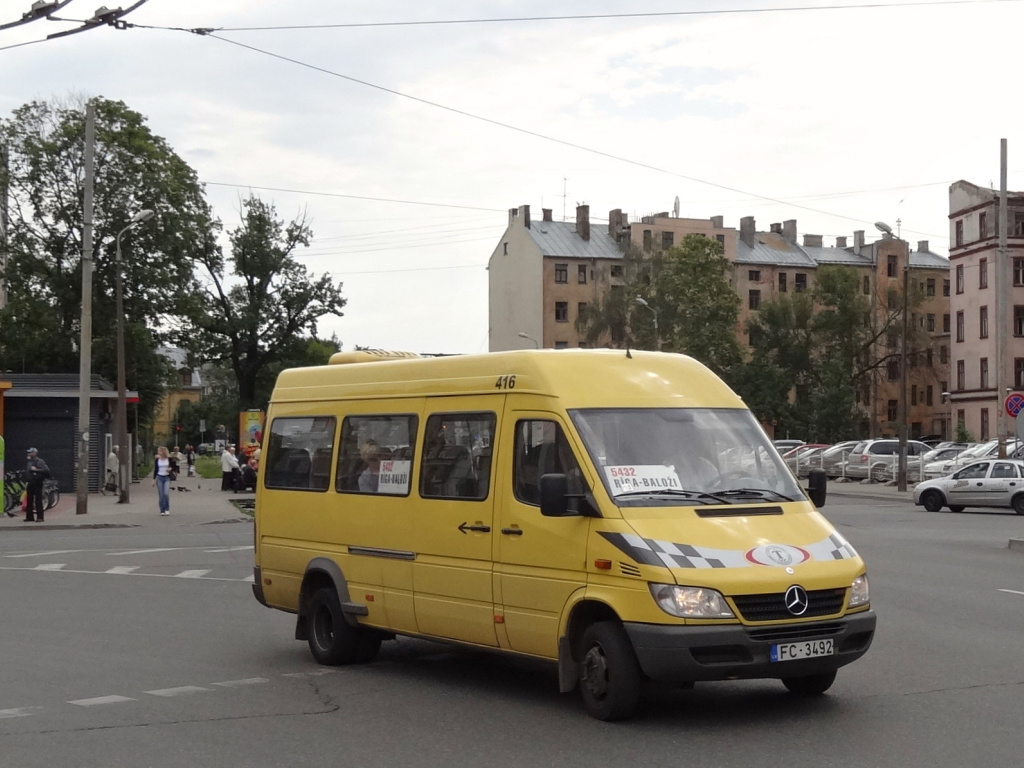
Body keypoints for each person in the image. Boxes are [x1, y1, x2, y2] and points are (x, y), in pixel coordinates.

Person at [151, 445, 178, 516]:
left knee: (166, 493)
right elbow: (156, 470)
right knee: (161, 495)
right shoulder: (157, 460)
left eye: (159, 451)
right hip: (159, 477)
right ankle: (162, 510)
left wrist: (170, 468)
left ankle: (167, 509)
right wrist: (153, 480)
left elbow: (174, 467)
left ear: (163, 452)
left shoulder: (169, 459)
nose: (158, 452)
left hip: (167, 477)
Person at [24, 447, 50, 522]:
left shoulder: (39, 461)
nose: (28, 454)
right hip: (30, 482)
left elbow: (46, 470)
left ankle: (40, 517)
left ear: (35, 453)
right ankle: (29, 517)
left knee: (38, 499)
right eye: (28, 452)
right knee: (29, 499)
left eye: (30, 452)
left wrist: (36, 470)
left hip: (37, 482)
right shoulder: (29, 461)